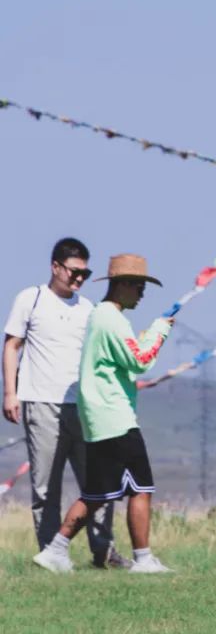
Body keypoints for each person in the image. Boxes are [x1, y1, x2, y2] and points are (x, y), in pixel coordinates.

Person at [32, 254, 173, 574]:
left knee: (97, 493)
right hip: (116, 419)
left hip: (101, 419)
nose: (142, 293)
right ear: (121, 285)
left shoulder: (102, 317)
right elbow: (140, 359)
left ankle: (55, 550)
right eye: (138, 286)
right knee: (141, 488)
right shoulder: (111, 319)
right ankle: (143, 559)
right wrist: (159, 331)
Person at [2, 238, 126, 568]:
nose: (79, 279)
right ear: (55, 267)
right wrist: (10, 392)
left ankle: (104, 550)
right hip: (40, 403)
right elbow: (12, 345)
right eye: (74, 272)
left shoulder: (88, 309)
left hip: (84, 406)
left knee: (97, 483)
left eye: (85, 274)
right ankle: (51, 553)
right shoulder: (31, 299)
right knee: (46, 486)